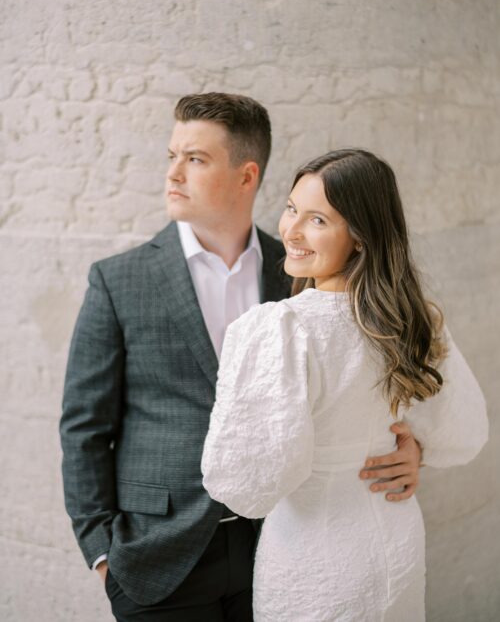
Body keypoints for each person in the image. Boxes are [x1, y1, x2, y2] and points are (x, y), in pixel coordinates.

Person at [60, 97, 422, 622]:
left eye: (196, 159)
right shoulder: (119, 280)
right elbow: (84, 426)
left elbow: (364, 385)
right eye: (172, 155)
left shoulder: (303, 268)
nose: (173, 173)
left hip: (279, 547)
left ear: (246, 175)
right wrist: (101, 552)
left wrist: (413, 449)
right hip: (157, 556)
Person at [201, 148, 489, 621]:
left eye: (316, 220)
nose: (290, 230)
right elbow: (464, 432)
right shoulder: (416, 320)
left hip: (314, 557)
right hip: (395, 539)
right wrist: (417, 447)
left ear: (360, 236)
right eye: (292, 208)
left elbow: (243, 485)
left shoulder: (282, 329)